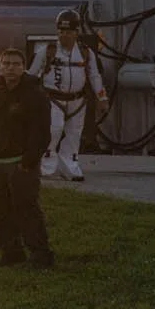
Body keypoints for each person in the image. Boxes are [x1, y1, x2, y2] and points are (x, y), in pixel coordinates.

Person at [0, 45, 55, 267]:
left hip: (19, 164)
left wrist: (28, 161)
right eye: (6, 64)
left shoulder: (35, 96)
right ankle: (10, 252)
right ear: (0, 66)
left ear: (23, 68)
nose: (10, 68)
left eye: (16, 64)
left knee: (26, 208)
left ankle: (41, 255)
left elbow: (41, 132)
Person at [30, 9, 106, 182]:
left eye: (68, 32)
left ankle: (70, 167)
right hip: (53, 99)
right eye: (61, 32)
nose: (64, 35)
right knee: (53, 129)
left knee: (74, 134)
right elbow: (32, 74)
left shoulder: (86, 53)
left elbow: (95, 76)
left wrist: (102, 98)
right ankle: (47, 167)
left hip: (77, 101)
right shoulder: (47, 51)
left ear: (76, 32)